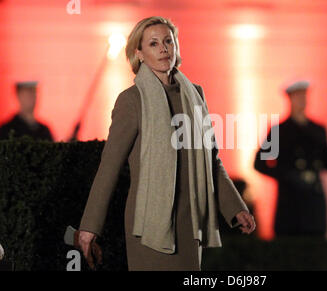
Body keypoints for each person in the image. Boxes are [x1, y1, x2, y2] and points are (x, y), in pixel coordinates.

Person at [77, 16, 256, 271]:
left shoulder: (195, 96)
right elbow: (109, 167)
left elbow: (212, 160)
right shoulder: (132, 101)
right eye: (153, 44)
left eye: (168, 41)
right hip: (150, 227)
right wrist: (89, 226)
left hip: (190, 222)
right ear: (139, 53)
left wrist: (236, 208)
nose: (163, 48)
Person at [254, 80, 327, 238]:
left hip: (314, 209)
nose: (302, 99)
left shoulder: (318, 130)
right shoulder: (279, 132)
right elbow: (259, 164)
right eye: (297, 95)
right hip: (289, 208)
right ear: (290, 98)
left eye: (304, 95)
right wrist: (288, 175)